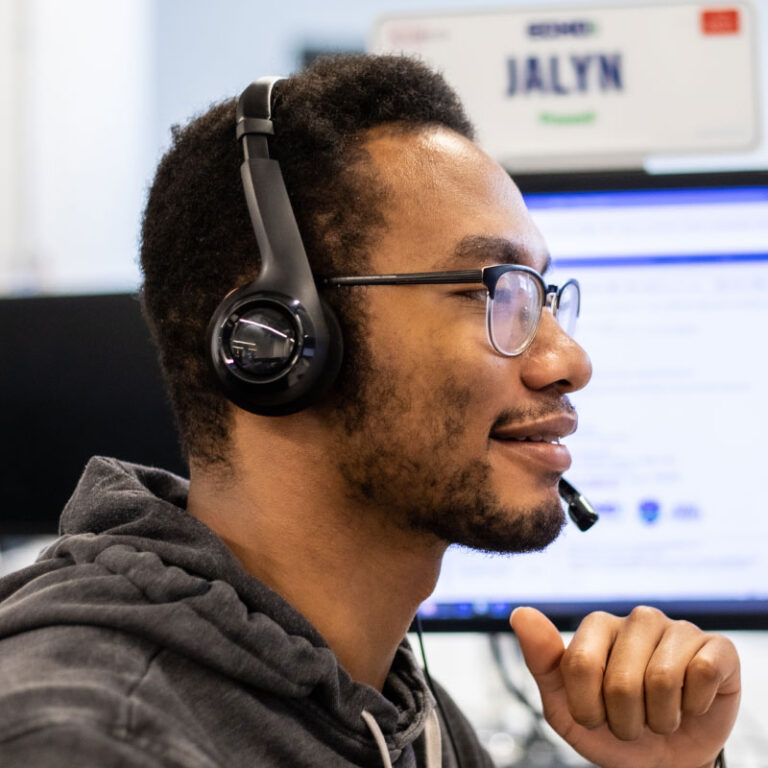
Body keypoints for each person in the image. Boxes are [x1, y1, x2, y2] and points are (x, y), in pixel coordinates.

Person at [0, 54, 738, 768]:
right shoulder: (88, 738)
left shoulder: (392, 709)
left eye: (543, 298)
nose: (569, 362)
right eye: (494, 293)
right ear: (281, 341)